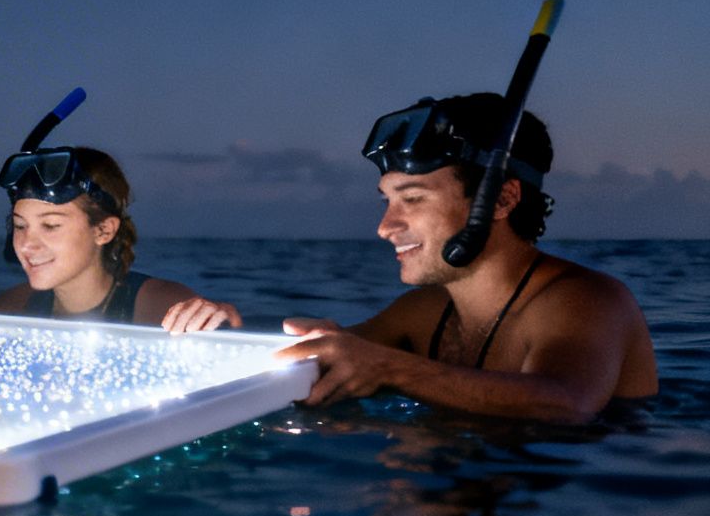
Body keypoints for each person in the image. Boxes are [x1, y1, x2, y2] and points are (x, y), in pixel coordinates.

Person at [275, 93, 657, 423]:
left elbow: (568, 405)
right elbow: (333, 356)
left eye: (412, 199)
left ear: (501, 200)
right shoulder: (422, 313)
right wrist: (221, 323)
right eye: (386, 201)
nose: (385, 227)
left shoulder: (588, 301)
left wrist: (391, 368)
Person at [0, 146, 238, 331]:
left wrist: (218, 320)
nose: (27, 244)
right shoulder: (10, 307)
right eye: (19, 225)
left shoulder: (160, 306)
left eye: (51, 225)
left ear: (104, 230)